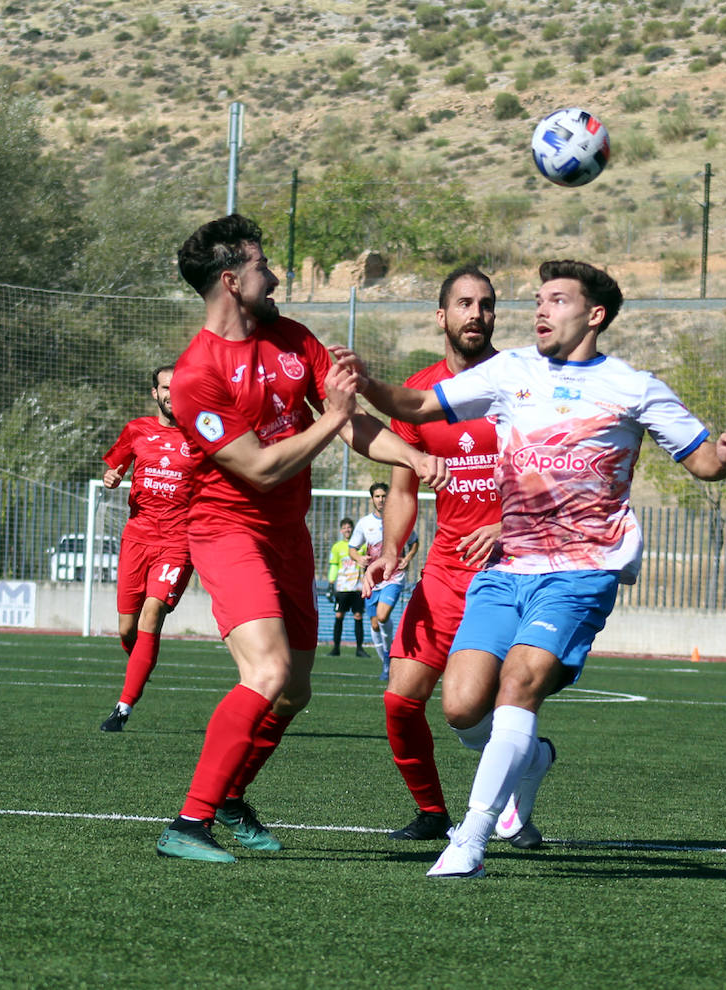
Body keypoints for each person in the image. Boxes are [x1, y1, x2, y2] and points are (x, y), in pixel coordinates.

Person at [350, 258, 726, 878]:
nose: (540, 311)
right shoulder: (509, 370)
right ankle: (531, 759)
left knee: (519, 682)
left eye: (556, 300)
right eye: (538, 300)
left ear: (594, 315)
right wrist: (363, 382)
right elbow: (413, 403)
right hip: (508, 566)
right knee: (463, 707)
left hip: (583, 569)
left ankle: (470, 838)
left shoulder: (635, 386)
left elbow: (702, 462)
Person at [155, 213, 448, 864]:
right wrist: (336, 417)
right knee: (267, 669)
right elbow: (260, 466)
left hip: (287, 533)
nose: (276, 275)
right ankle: (188, 823)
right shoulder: (196, 374)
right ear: (231, 281)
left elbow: (353, 424)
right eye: (262, 267)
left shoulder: (291, 337)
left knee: (293, 691)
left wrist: (414, 459)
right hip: (226, 527)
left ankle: (229, 796)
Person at [362, 264, 504, 844]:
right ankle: (431, 813)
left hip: (514, 572)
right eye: (465, 303)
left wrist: (507, 521)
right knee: (400, 700)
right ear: (441, 316)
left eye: (487, 304)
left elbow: (553, 473)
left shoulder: (522, 383)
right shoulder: (419, 398)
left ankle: (516, 786)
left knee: (470, 707)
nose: (478, 314)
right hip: (446, 571)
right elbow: (402, 491)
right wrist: (391, 550)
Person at [97, 365, 198, 732]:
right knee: (128, 629)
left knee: (152, 613)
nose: (172, 393)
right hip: (137, 538)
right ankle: (142, 662)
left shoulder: (201, 435)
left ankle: (122, 709)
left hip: (177, 542)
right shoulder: (138, 429)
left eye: (178, 387)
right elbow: (114, 468)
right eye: (166, 387)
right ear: (155, 393)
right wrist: (111, 477)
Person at [349, 482, 418, 679]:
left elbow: (414, 542)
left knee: (382, 616)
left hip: (394, 577)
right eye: (377, 496)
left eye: (384, 496)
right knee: (374, 624)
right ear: (372, 499)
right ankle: (386, 662)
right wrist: (359, 558)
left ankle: (391, 654)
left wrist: (408, 557)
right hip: (373, 580)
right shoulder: (364, 524)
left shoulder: (400, 521)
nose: (381, 500)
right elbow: (352, 548)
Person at [326, 517, 367, 658]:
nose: (347, 530)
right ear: (341, 530)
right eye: (344, 527)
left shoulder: (362, 546)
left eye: (349, 527)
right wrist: (331, 584)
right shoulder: (337, 547)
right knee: (339, 616)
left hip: (357, 587)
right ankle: (336, 648)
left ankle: (359, 649)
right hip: (342, 588)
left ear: (353, 529)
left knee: (358, 615)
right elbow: (334, 566)